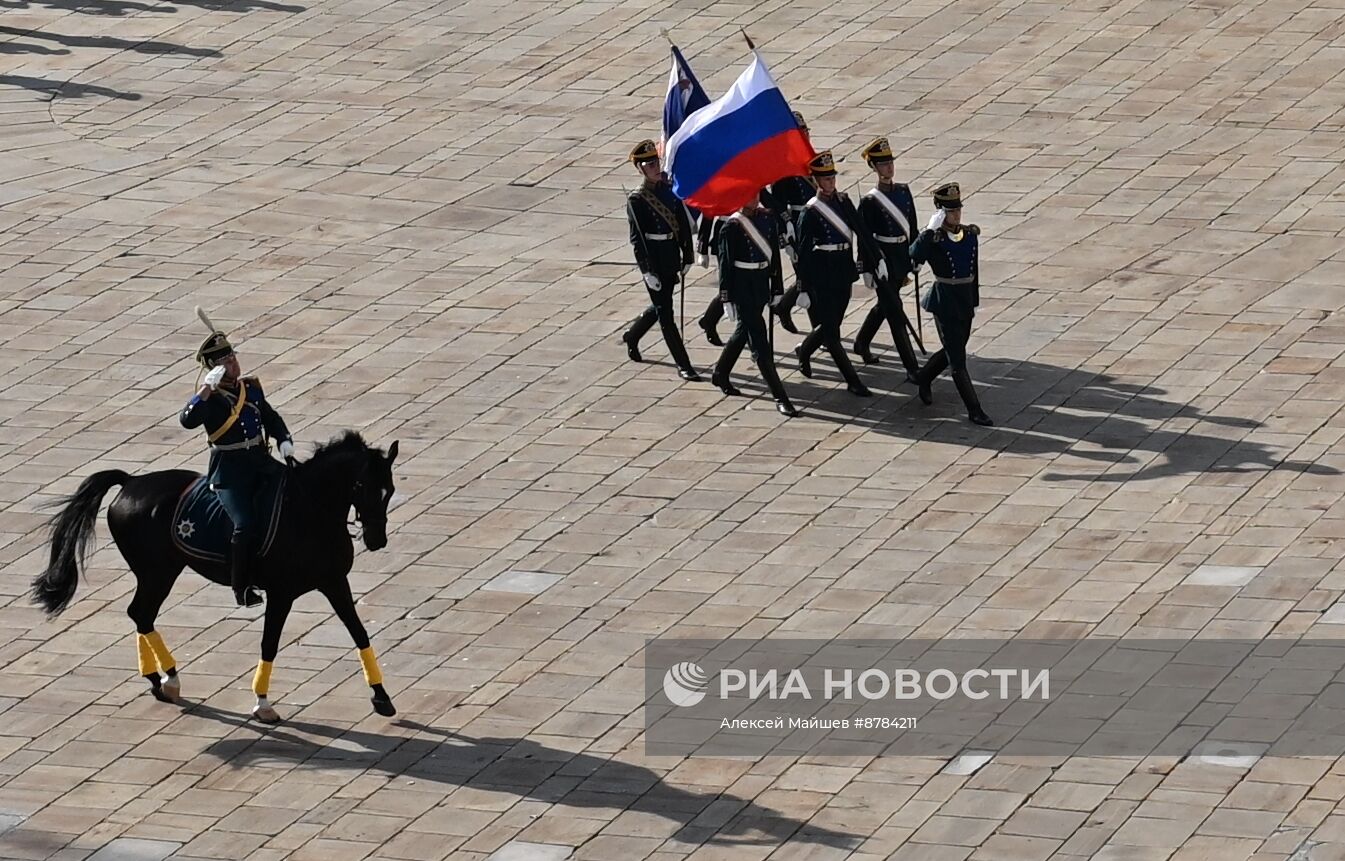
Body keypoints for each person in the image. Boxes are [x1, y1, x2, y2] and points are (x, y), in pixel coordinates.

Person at [181, 316, 296, 606]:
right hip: (230, 474)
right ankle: (241, 586)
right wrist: (205, 389)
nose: (234, 364)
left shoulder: (251, 389)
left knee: (297, 491)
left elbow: (269, 416)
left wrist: (283, 440)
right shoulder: (210, 400)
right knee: (243, 523)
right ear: (214, 368)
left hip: (261, 462)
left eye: (233, 357)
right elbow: (187, 420)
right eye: (226, 361)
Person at [792, 151, 876, 398]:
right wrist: (803, 286)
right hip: (823, 270)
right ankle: (852, 380)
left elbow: (861, 230)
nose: (831, 182)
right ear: (817, 181)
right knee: (831, 329)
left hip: (843, 266)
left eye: (832, 178)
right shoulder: (811, 211)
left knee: (832, 323)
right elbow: (803, 252)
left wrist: (874, 260)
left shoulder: (842, 201)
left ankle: (805, 350)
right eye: (826, 179)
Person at [909, 183, 993, 426]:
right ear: (941, 213)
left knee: (953, 349)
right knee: (957, 360)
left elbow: (973, 272)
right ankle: (975, 409)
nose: (956, 215)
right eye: (950, 211)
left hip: (964, 300)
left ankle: (924, 377)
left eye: (958, 210)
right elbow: (913, 256)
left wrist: (974, 301)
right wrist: (928, 230)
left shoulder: (969, 235)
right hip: (944, 301)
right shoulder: (933, 239)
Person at [711, 194, 798, 417]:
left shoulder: (767, 219)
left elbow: (774, 257)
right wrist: (726, 297)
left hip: (760, 282)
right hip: (742, 286)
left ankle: (721, 372)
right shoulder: (732, 226)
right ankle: (780, 396)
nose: (754, 197)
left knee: (744, 330)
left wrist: (777, 288)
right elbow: (725, 264)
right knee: (760, 341)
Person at [621, 139, 700, 382]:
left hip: (670, 255)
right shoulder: (637, 199)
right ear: (640, 169)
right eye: (649, 164)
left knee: (660, 306)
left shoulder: (669, 190)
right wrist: (646, 271)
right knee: (666, 314)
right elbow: (637, 240)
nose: (655, 167)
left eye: (656, 162)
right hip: (654, 259)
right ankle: (683, 364)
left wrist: (687, 255)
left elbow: (682, 225)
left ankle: (633, 336)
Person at [854, 136, 922, 380]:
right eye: (883, 164)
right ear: (874, 167)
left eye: (890, 162)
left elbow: (912, 226)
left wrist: (916, 253)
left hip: (901, 256)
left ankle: (861, 341)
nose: (889, 167)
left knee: (887, 305)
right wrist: (866, 267)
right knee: (895, 311)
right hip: (882, 260)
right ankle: (912, 367)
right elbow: (864, 236)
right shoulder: (870, 201)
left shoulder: (904, 191)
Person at [766, 111, 818, 335]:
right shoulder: (784, 168)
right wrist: (785, 234)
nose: (804, 134)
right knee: (809, 279)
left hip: (817, 225)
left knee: (811, 276)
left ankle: (784, 306)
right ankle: (820, 331)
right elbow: (778, 205)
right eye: (800, 131)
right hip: (796, 227)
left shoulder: (814, 159)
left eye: (806, 129)